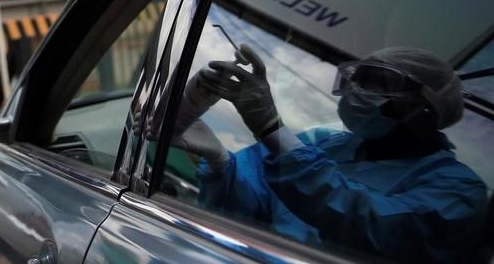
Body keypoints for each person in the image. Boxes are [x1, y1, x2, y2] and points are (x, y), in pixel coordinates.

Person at [170, 44, 486, 263]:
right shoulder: (323, 144)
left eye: (379, 84)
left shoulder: (457, 191)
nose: (356, 91)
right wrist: (221, 164)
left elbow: (371, 226)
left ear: (426, 108)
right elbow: (247, 214)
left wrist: (272, 130)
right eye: (355, 79)